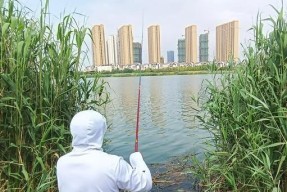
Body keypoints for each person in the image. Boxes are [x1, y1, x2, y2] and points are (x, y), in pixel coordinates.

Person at [56, 110, 152, 192]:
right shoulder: (113, 164)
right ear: (101, 132)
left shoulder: (61, 162)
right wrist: (137, 160)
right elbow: (145, 185)